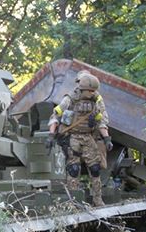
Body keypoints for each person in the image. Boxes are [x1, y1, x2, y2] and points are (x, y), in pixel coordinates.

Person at [45, 70, 112, 206]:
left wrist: (106, 139)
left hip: (88, 137)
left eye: (94, 91)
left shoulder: (96, 100)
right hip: (73, 137)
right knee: (73, 169)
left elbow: (102, 121)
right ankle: (74, 201)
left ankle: (97, 199)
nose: (93, 93)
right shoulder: (70, 98)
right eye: (90, 91)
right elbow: (55, 115)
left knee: (95, 168)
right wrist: (51, 135)